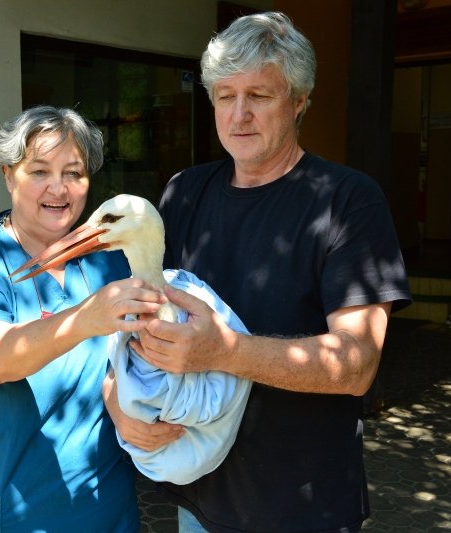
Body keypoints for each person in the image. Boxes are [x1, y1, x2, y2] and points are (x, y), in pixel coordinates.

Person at [103, 12, 412, 533]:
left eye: (260, 96)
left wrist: (226, 352)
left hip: (302, 503)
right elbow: (136, 309)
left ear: (299, 101)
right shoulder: (184, 193)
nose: (239, 115)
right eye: (225, 96)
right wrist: (116, 399)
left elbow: (357, 363)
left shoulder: (347, 202)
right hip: (199, 490)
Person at [0, 105, 182, 532]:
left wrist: (122, 406)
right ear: (7, 175)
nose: (59, 188)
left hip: (99, 506)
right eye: (39, 171)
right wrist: (85, 317)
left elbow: (121, 362)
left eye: (74, 173)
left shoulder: (111, 262)